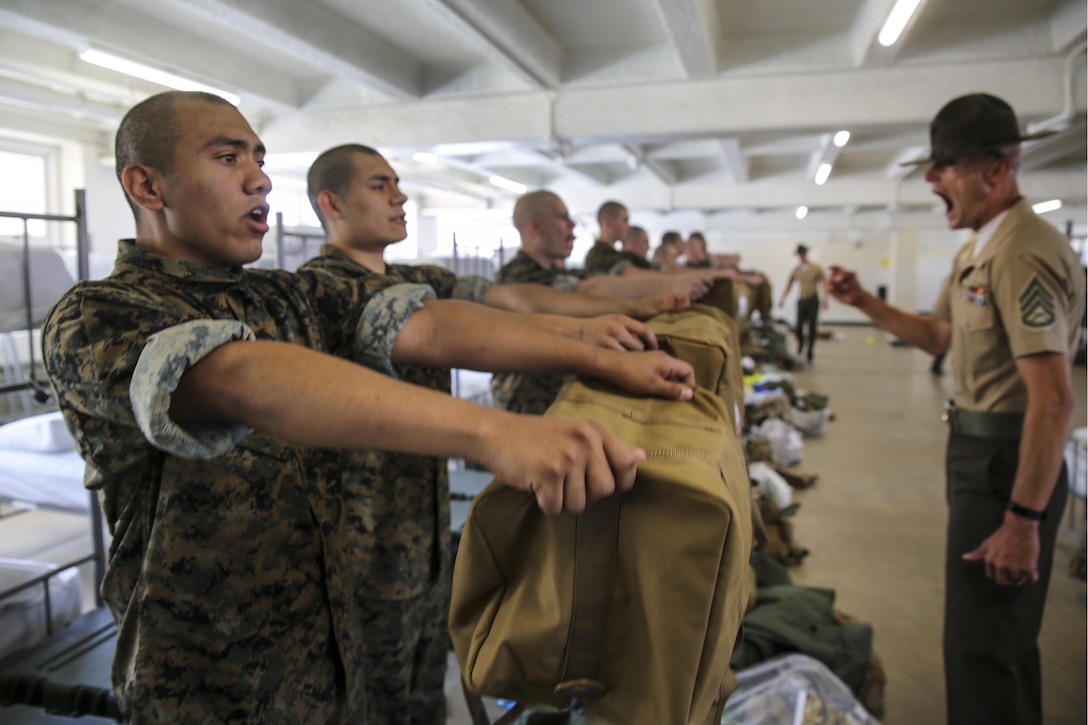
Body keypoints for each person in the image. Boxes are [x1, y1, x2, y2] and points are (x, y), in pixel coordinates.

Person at [41, 91, 695, 723]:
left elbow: (430, 326)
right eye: (227, 158)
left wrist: (596, 351)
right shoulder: (96, 315)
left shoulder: (288, 298)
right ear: (147, 187)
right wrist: (495, 433)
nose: (259, 181)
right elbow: (243, 375)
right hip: (212, 690)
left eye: (261, 159)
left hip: (335, 658)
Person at [297, 143, 692, 722]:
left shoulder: (417, 277)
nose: (400, 195)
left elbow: (508, 301)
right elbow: (435, 333)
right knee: (372, 696)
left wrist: (589, 328)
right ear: (331, 203)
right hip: (362, 538)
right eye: (381, 185)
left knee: (425, 686)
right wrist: (592, 352)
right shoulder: (322, 288)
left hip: (422, 527)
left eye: (398, 183)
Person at [825, 92, 1084, 725]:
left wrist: (1022, 519)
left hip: (1007, 461)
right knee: (991, 637)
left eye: (947, 165)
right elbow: (940, 336)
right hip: (977, 453)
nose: (931, 178)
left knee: (983, 645)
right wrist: (866, 303)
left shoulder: (1020, 252)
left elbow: (1052, 400)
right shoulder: (979, 247)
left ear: (998, 169)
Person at [495, 190, 720, 413]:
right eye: (562, 217)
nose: (572, 225)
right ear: (535, 227)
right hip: (529, 404)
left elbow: (596, 283)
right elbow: (590, 290)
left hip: (559, 395)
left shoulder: (563, 272)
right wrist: (666, 287)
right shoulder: (518, 276)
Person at [778, 243, 827, 362]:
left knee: (812, 327)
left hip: (813, 300)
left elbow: (824, 283)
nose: (801, 257)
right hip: (802, 300)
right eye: (799, 255)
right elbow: (789, 284)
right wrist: (783, 298)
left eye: (803, 254)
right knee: (799, 327)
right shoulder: (797, 270)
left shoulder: (816, 268)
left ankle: (810, 351)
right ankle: (800, 346)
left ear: (806, 254)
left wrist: (826, 299)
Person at [582, 199, 632, 276]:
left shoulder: (608, 253)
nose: (628, 227)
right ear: (608, 222)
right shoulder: (598, 256)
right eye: (624, 221)